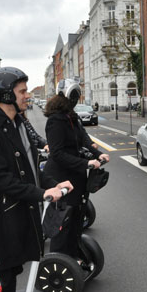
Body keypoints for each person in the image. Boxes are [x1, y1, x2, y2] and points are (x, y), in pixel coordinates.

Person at [0, 67, 73, 292]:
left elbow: (30, 166)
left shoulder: (17, 123)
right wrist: (41, 194)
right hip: (1, 214)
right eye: (22, 91)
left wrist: (52, 183)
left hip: (19, 210)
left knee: (13, 270)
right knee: (1, 275)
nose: (27, 96)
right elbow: (2, 179)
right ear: (6, 95)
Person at [44, 79, 109, 258]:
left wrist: (98, 155)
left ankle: (72, 256)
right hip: (61, 177)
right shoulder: (55, 120)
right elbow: (57, 153)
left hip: (77, 177)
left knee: (76, 219)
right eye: (73, 96)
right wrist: (85, 163)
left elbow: (84, 138)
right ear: (64, 96)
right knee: (63, 223)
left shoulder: (72, 117)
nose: (75, 99)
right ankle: (59, 258)